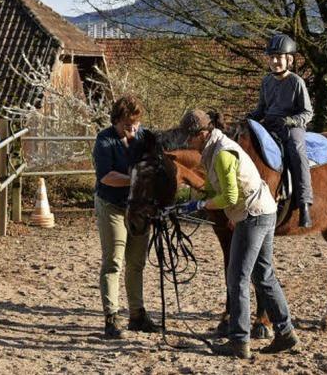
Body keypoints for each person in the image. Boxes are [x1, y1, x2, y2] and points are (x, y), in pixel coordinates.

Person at [176, 109, 299, 359]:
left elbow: (230, 197)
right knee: (263, 275)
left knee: (238, 278)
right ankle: (285, 333)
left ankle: (239, 341)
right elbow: (214, 186)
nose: (187, 143)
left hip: (252, 215)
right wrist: (193, 190)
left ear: (202, 134)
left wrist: (200, 206)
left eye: (190, 138)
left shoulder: (221, 153)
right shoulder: (213, 149)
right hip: (263, 211)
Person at [92, 94, 160, 339]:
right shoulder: (105, 140)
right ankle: (111, 317)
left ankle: (137, 314)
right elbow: (106, 176)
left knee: (137, 262)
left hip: (139, 207)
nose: (133, 129)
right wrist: (134, 179)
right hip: (112, 205)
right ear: (116, 121)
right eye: (127, 125)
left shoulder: (144, 137)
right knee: (113, 261)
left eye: (136, 124)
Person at [248, 34, 314, 227]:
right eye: (271, 57)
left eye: (279, 57)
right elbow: (261, 109)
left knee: (296, 150)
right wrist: (250, 117)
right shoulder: (266, 81)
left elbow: (307, 112)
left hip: (291, 127)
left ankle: (304, 203)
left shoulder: (296, 82)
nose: (275, 61)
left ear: (289, 60)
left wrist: (291, 121)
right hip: (269, 124)